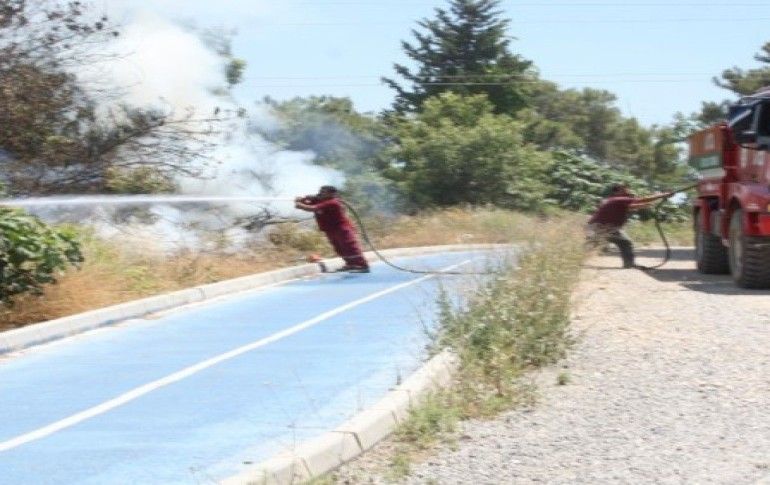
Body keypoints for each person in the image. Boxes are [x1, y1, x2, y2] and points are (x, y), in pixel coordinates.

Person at [587, 184, 673, 269]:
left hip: (599, 226)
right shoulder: (620, 199)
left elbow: (630, 207)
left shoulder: (612, 200)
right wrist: (663, 195)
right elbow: (642, 199)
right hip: (604, 227)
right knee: (625, 242)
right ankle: (629, 264)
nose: (628, 191)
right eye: (624, 189)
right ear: (618, 191)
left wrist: (647, 204)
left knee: (593, 243)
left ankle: (580, 256)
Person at [294, 186, 370, 273]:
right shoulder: (320, 201)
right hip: (330, 230)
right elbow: (307, 205)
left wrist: (299, 204)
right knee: (339, 248)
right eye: (320, 191)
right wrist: (302, 200)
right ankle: (350, 264)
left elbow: (312, 208)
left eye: (323, 192)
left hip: (342, 229)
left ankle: (363, 265)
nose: (320, 193)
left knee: (350, 247)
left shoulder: (333, 202)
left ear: (331, 194)